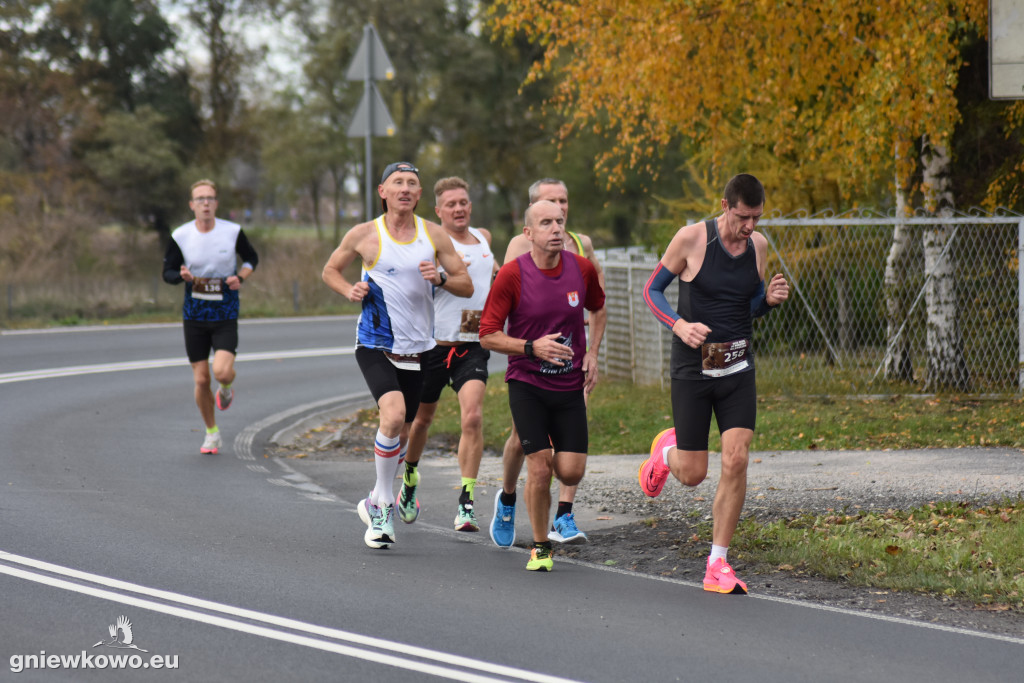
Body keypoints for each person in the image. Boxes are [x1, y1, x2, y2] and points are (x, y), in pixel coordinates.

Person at [638, 173, 789, 594]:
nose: (751, 227)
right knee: (692, 474)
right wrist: (679, 324)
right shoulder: (690, 239)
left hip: (738, 367)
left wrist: (769, 302)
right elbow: (652, 291)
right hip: (693, 369)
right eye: (743, 217)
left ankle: (717, 563)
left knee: (737, 458)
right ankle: (666, 453)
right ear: (725, 206)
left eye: (757, 218)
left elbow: (750, 304)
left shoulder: (757, 246)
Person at [322, 161, 472, 550]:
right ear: (382, 191)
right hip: (375, 344)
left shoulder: (433, 234)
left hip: (420, 348)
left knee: (402, 431)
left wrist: (439, 277)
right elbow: (330, 270)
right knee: (391, 417)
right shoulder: (364, 235)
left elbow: (466, 285)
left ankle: (374, 498)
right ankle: (384, 508)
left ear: (419, 195)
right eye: (397, 182)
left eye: (412, 183)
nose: (405, 188)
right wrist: (348, 290)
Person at [479, 199, 605, 571]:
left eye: (560, 222)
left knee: (570, 471)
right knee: (539, 467)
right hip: (527, 382)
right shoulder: (513, 275)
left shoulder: (581, 269)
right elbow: (487, 335)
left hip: (568, 386)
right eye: (546, 223)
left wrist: (593, 353)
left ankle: (529, 508)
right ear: (528, 233)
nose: (556, 229)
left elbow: (598, 307)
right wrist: (531, 347)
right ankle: (539, 547)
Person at [401, 177, 498, 532]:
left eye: (463, 202)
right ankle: (409, 475)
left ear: (470, 206)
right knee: (420, 421)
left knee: (472, 417)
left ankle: (467, 503)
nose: (459, 209)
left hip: (472, 346)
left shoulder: (483, 238)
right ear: (438, 211)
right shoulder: (427, 244)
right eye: (451, 204)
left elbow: (495, 277)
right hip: (432, 348)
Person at [162, 179, 259, 455]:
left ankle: (226, 388)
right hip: (194, 313)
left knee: (222, 371)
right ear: (192, 205)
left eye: (210, 198)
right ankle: (212, 433)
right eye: (200, 199)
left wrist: (241, 277)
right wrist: (180, 276)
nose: (206, 203)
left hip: (225, 311)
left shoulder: (232, 232)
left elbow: (252, 258)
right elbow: (167, 273)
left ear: (216, 204)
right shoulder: (180, 235)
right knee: (202, 379)